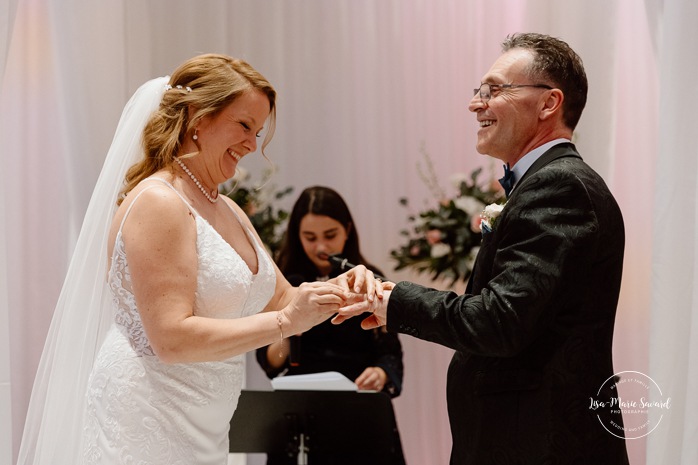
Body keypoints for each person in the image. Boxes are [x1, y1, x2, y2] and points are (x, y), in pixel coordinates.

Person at [17, 54, 378, 465]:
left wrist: (346, 288)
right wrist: (286, 322)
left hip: (209, 419)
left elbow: (282, 297)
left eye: (258, 132)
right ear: (197, 118)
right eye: (243, 125)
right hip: (150, 414)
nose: (251, 144)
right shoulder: (160, 201)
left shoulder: (228, 209)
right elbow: (170, 339)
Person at [337, 33, 630, 464]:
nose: (476, 104)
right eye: (479, 91)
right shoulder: (545, 184)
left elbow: (499, 321)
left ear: (549, 103)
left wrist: (392, 299)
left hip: (539, 446)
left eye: (494, 90)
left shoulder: (560, 185)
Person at [256, 186, 405, 465]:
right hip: (299, 417)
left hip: (358, 412)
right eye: (310, 238)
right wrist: (289, 328)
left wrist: (381, 373)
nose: (321, 247)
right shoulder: (283, 282)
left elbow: (391, 354)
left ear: (347, 230)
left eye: (330, 236)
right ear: (296, 236)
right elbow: (270, 362)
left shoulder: (367, 279)